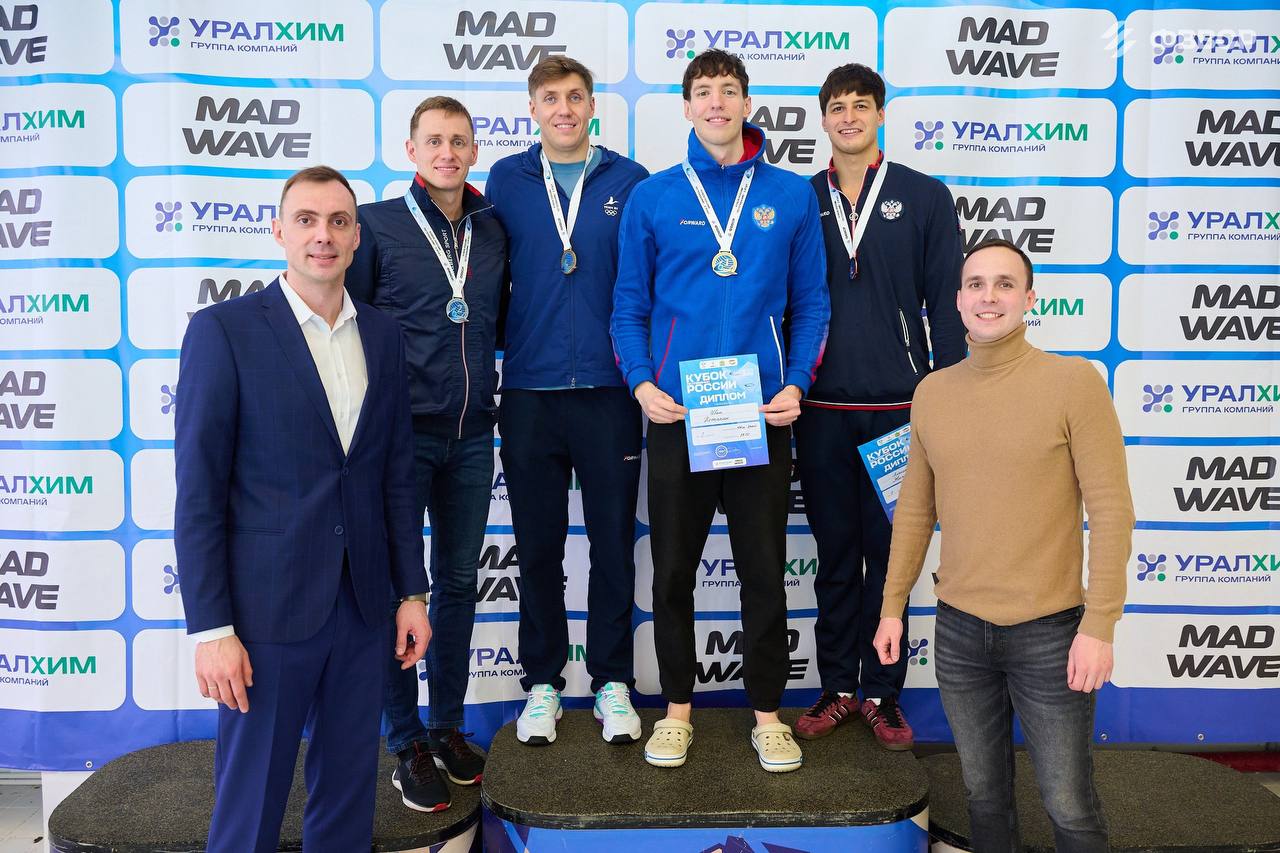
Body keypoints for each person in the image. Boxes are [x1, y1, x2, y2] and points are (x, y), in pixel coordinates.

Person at [176, 166, 430, 851]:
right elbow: (198, 492)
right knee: (249, 806)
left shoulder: (384, 335)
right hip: (266, 613)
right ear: (279, 231)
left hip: (362, 607)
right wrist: (212, 628)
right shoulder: (224, 331)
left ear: (356, 237)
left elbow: (395, 477)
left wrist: (411, 593)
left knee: (348, 799)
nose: (324, 235)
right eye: (307, 220)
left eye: (339, 221)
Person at [873, 239, 1133, 852]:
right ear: (958, 299)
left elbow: (1112, 511)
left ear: (1029, 298)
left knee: (1069, 806)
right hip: (959, 632)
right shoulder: (933, 392)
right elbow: (915, 511)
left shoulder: (1074, 383)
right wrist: (891, 606)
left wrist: (1100, 623)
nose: (989, 297)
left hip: (1052, 634)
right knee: (984, 798)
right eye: (976, 284)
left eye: (1005, 284)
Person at [611, 49, 830, 773]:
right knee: (673, 571)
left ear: (745, 102)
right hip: (679, 413)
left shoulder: (790, 195)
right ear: (686, 106)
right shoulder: (653, 196)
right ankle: (677, 712)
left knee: (763, 570)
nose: (715, 103)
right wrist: (642, 384)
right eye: (703, 92)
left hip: (761, 412)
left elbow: (812, 304)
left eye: (728, 90)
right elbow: (629, 306)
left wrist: (795, 385)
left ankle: (768, 714)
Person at [794, 63, 966, 750]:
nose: (848, 117)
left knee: (892, 558)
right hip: (820, 410)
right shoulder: (801, 198)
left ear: (881, 114)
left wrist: (951, 399)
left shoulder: (924, 196)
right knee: (835, 556)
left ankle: (882, 693)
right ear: (823, 119)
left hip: (902, 411)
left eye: (860, 105)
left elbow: (947, 305)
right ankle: (837, 685)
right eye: (837, 106)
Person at [346, 96, 506, 809]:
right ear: (411, 150)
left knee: (459, 583)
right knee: (395, 591)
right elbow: (347, 326)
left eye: (459, 141)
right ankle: (405, 739)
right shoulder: (377, 224)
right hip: (398, 439)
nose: (448, 152)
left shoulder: (491, 227)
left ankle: (445, 726)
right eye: (434, 141)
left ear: (474, 151)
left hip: (472, 433)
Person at [485, 57, 651, 746]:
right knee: (538, 548)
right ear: (533, 108)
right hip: (529, 391)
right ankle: (543, 684)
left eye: (575, 96)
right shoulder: (506, 179)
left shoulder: (630, 180)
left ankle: (612, 681)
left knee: (612, 545)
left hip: (611, 392)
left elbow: (647, 280)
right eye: (550, 98)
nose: (563, 108)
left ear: (591, 107)